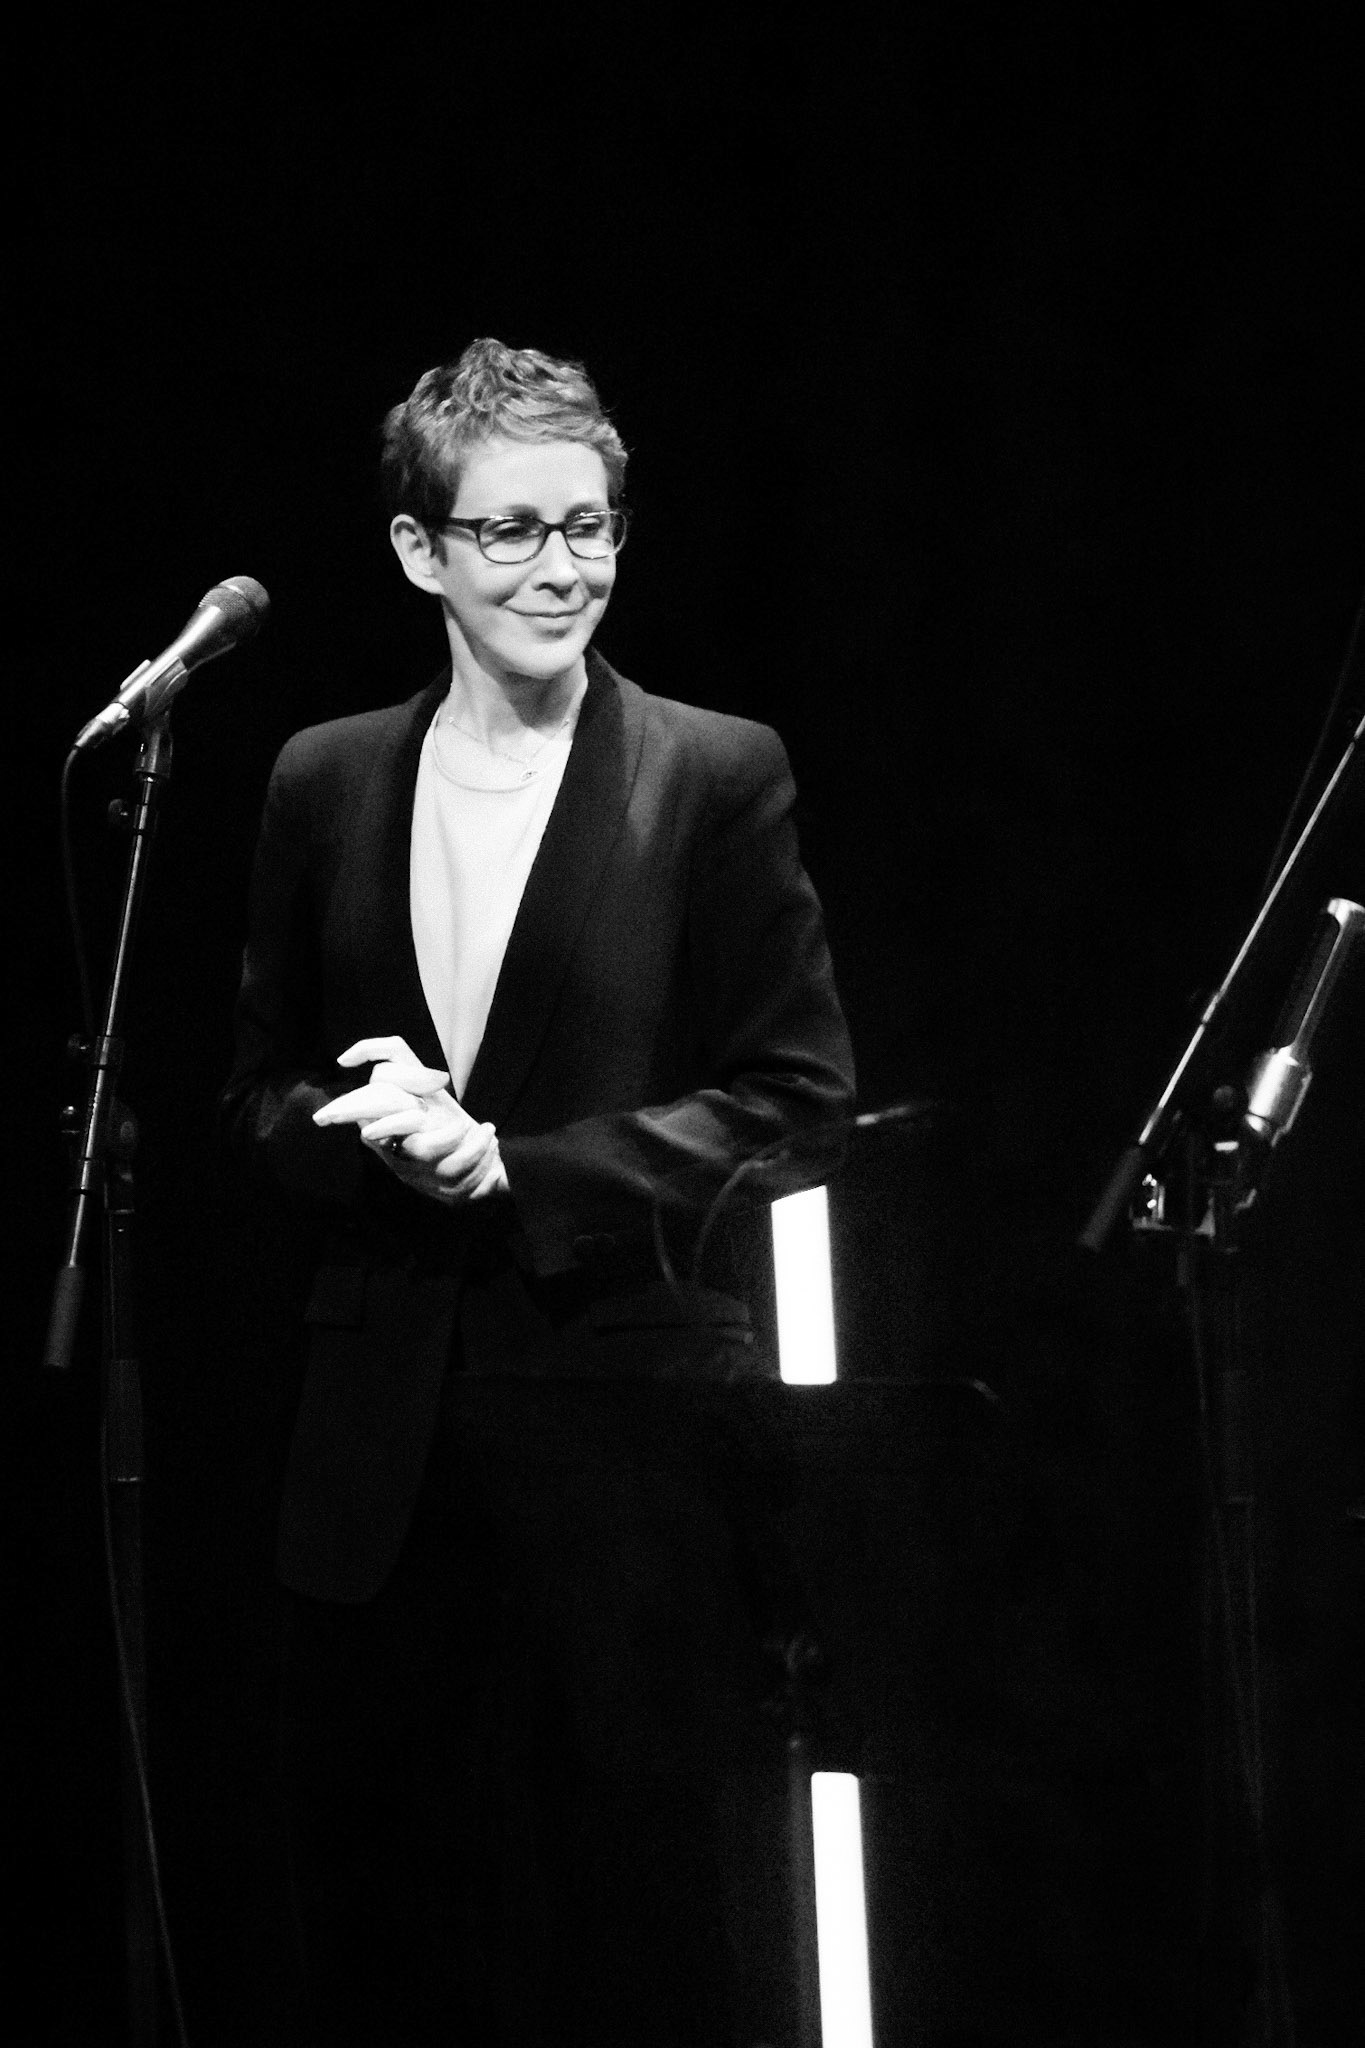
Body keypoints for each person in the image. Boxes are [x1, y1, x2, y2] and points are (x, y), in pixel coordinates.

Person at [222, 337, 855, 2045]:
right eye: (510, 532)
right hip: (380, 1462)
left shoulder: (711, 772)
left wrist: (523, 1164)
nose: (561, 566)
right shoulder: (324, 777)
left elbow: (798, 1097)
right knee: (395, 1948)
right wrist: (350, 1125)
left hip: (629, 1455)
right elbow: (255, 1083)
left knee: (646, 1950)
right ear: (420, 551)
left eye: (589, 525)